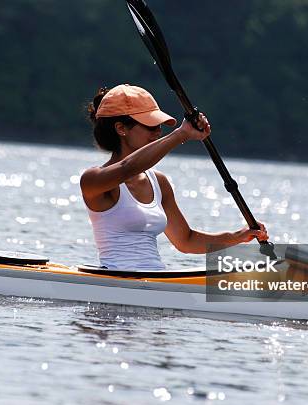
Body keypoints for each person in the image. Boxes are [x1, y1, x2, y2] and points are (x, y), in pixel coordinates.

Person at [80, 84, 268, 271]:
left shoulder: (159, 183)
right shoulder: (93, 181)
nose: (158, 132)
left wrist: (237, 236)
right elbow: (126, 168)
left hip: (155, 278)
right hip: (115, 278)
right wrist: (181, 134)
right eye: (150, 126)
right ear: (121, 128)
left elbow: (186, 240)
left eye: (159, 126)